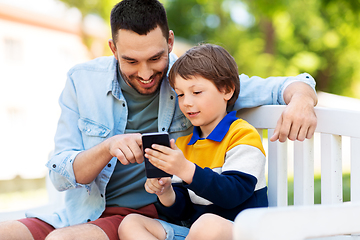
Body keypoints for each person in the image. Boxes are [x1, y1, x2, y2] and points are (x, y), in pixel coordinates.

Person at [0, 0, 317, 239]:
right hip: (82, 210)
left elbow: (277, 86)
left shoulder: (192, 80)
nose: (146, 73)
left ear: (169, 41)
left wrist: (302, 98)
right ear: (113, 48)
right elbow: (61, 174)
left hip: (146, 214)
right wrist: (108, 147)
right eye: (131, 61)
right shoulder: (82, 81)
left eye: (155, 58)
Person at [118, 43, 268, 240]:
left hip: (243, 232)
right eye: (180, 94)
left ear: (227, 90)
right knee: (131, 223)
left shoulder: (242, 135)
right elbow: (183, 213)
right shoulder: (184, 145)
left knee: (208, 224)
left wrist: (185, 169)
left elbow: (232, 195)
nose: (186, 102)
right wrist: (166, 192)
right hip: (196, 233)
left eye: (196, 92)